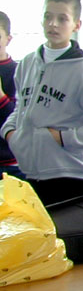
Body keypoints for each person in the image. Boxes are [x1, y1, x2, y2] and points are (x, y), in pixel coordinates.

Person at [1, 0, 83, 205]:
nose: (53, 24)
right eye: (48, 17)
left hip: (69, 176)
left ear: (76, 25)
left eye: (62, 18)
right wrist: (10, 133)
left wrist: (62, 138)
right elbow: (20, 107)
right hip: (30, 174)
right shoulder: (27, 63)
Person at [0, 11, 21, 178]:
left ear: (8, 39)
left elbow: (21, 119)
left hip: (10, 163)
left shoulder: (19, 72)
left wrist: (1, 96)